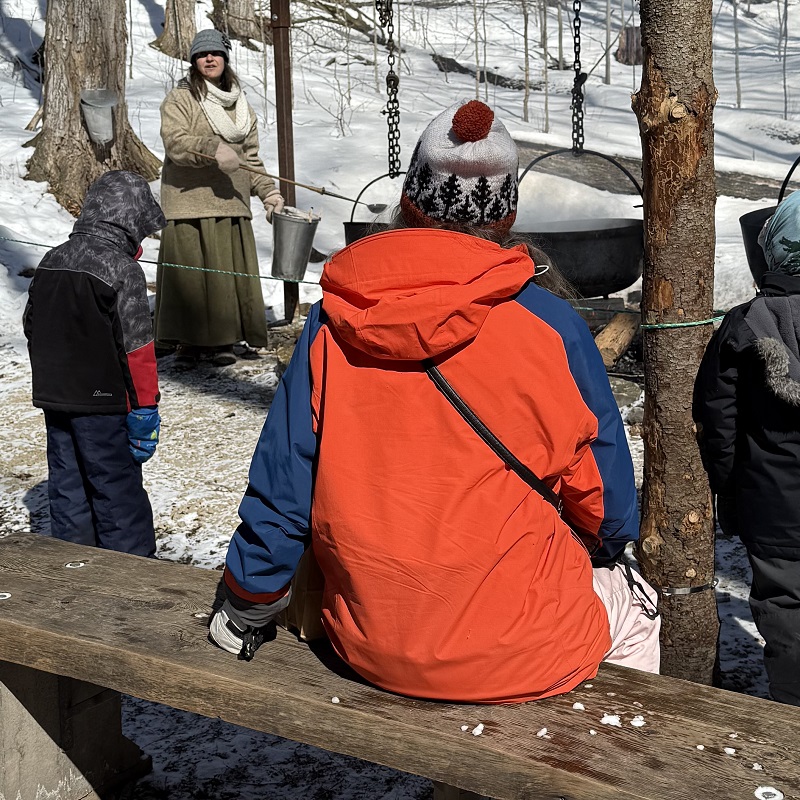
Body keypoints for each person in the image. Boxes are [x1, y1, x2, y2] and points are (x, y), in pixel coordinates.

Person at [209, 100, 660, 703]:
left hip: (370, 639)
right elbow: (607, 507)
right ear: (507, 216)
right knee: (639, 612)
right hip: (524, 647)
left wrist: (248, 602)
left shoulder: (335, 320)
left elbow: (284, 486)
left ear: (409, 205)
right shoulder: (552, 329)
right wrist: (599, 548)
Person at [23, 170, 166, 558]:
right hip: (104, 404)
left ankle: (75, 569)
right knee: (115, 489)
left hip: (55, 396)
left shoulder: (53, 259)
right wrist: (146, 407)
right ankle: (130, 573)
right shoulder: (122, 270)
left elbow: (31, 323)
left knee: (67, 485)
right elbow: (136, 348)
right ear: (131, 221)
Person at [694, 189, 800, 707]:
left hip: (774, 507)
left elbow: (718, 420)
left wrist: (730, 490)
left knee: (786, 610)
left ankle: (791, 719)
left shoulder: (743, 326)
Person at [154, 28, 284, 367]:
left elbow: (251, 158)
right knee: (190, 278)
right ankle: (188, 344)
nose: (209, 59)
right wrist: (212, 148)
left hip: (231, 202)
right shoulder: (180, 98)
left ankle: (225, 341)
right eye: (202, 54)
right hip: (187, 202)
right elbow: (176, 143)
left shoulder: (241, 106)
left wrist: (269, 193)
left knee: (226, 277)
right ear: (194, 61)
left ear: (225, 59)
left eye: (215, 53)